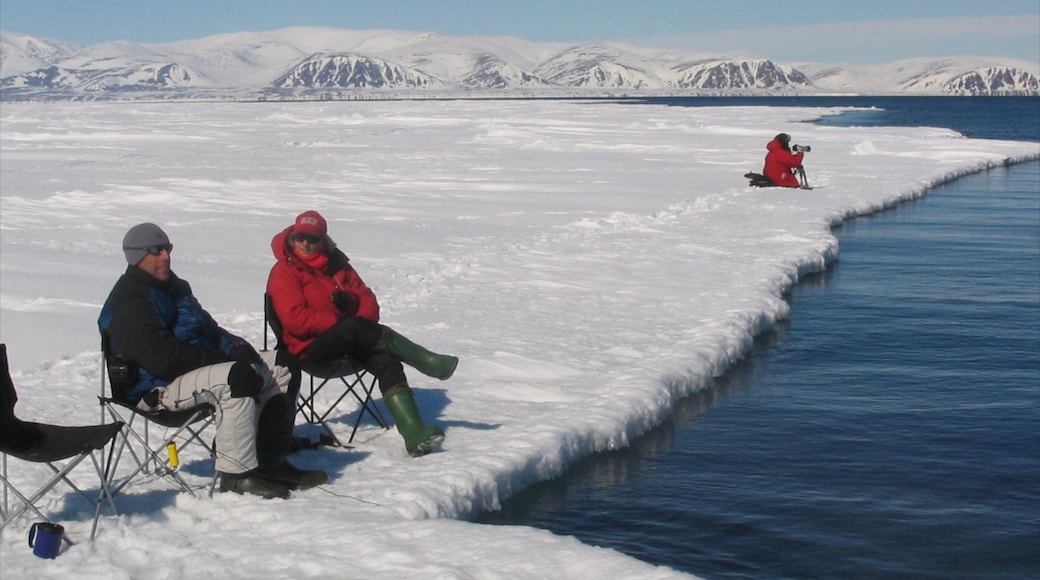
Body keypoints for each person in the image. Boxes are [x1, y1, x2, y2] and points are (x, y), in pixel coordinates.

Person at [99, 222, 328, 499]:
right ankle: (237, 475)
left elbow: (210, 330)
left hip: (196, 372)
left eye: (167, 248)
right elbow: (164, 359)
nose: (165, 256)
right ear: (136, 256)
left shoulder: (174, 287)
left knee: (283, 365)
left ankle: (271, 462)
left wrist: (238, 348)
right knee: (237, 377)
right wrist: (223, 362)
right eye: (156, 251)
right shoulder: (129, 301)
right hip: (156, 388)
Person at [266, 210, 457, 457]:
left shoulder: (338, 266)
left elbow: (369, 302)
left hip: (350, 342)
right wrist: (340, 321)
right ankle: (426, 361)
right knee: (353, 327)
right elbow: (295, 321)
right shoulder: (285, 271)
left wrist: (353, 302)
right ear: (292, 236)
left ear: (323, 239)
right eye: (300, 237)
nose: (305, 243)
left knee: (386, 359)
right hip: (309, 351)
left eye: (312, 238)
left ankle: (414, 434)